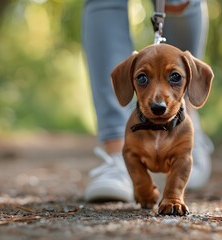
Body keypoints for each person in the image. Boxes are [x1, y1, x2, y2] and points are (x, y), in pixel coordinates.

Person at [82, 0, 213, 202]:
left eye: (175, 78)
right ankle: (117, 155)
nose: (157, 101)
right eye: (142, 79)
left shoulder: (194, 75)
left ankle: (188, 129)